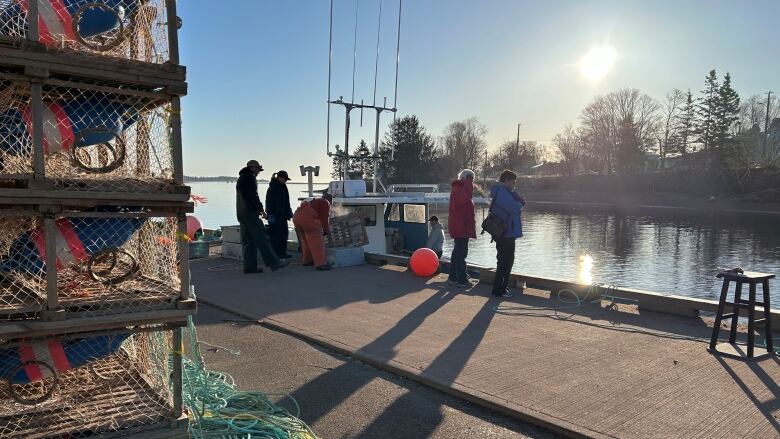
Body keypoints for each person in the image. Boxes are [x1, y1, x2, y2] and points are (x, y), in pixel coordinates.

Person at [236, 160, 288, 274]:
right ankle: (274, 263)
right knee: (262, 237)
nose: (259, 172)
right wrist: (261, 210)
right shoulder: (250, 178)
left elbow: (245, 197)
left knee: (249, 240)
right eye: (258, 169)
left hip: (241, 214)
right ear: (253, 168)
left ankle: (249, 267)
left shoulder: (241, 179)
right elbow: (253, 196)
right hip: (250, 213)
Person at [489, 169, 525, 298]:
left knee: (505, 261)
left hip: (506, 232)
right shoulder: (502, 192)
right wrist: (520, 202)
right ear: (506, 180)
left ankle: (500, 289)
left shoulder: (504, 191)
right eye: (513, 182)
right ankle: (499, 290)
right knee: (505, 261)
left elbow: (513, 208)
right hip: (505, 233)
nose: (514, 184)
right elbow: (513, 208)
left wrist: (518, 201)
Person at [447, 169, 476, 287]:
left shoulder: (458, 189)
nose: (473, 182)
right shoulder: (461, 189)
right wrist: (469, 183)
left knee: (457, 252)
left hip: (458, 225)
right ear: (467, 178)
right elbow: (462, 200)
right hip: (461, 226)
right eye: (472, 179)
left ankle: (453, 277)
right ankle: (461, 280)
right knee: (461, 253)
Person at [293, 193, 333, 271]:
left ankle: (307, 260)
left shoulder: (313, 201)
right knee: (317, 241)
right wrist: (325, 229)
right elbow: (325, 217)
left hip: (296, 217)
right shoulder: (326, 202)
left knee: (306, 241)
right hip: (307, 219)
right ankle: (321, 264)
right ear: (330, 199)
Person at [265, 170, 294, 259]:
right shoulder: (272, 188)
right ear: (279, 178)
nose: (285, 181)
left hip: (283, 215)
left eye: (286, 179)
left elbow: (287, 201)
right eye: (284, 179)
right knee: (275, 235)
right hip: (275, 215)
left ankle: (282, 252)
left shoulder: (284, 187)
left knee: (284, 234)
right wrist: (270, 214)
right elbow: (268, 202)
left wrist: (289, 212)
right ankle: (276, 254)